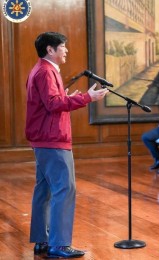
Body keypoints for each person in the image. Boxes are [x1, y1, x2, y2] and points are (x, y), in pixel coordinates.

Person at [26, 32, 109, 258]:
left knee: (44, 189)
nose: (66, 51)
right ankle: (59, 244)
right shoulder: (46, 71)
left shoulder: (41, 69)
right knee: (65, 188)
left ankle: (43, 240)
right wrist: (86, 98)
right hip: (52, 139)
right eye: (63, 47)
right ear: (50, 49)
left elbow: (50, 102)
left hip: (44, 137)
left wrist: (66, 96)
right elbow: (54, 104)